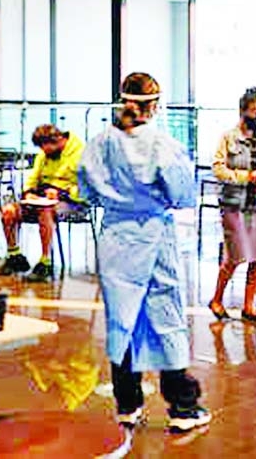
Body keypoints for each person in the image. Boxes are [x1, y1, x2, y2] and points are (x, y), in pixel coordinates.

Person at [78, 72, 211, 434]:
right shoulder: (161, 144)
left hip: (115, 238)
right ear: (154, 105)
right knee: (165, 315)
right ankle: (182, 405)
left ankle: (127, 403)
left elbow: (85, 189)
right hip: (153, 235)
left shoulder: (100, 143)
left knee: (122, 319)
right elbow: (182, 193)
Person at [208, 87, 256, 324]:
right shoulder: (228, 138)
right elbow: (218, 169)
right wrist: (246, 176)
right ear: (243, 111)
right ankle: (216, 299)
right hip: (233, 205)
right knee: (235, 257)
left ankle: (249, 306)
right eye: (254, 112)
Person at [0, 124, 85, 282]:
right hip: (43, 199)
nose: (44, 151)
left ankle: (45, 263)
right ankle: (15, 256)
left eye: (46, 147)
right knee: (8, 211)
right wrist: (29, 192)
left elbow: (88, 187)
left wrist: (62, 192)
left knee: (46, 211)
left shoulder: (82, 153)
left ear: (58, 140)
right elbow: (33, 179)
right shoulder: (44, 154)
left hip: (73, 202)